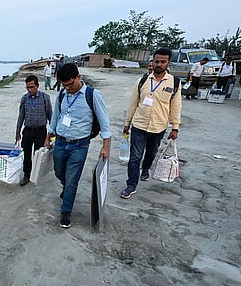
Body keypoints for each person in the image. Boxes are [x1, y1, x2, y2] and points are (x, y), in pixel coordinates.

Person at [44, 63, 111, 228]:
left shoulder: (92, 95)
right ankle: (66, 188)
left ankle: (65, 212)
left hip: (79, 145)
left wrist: (106, 146)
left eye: (70, 84)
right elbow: (56, 116)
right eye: (65, 85)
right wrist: (49, 134)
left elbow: (104, 122)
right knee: (59, 172)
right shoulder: (62, 94)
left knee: (72, 179)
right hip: (60, 142)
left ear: (78, 77)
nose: (68, 88)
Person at [121, 48, 182, 199]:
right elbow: (133, 103)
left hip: (159, 126)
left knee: (151, 153)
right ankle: (131, 185)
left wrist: (175, 127)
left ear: (168, 63)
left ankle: (146, 168)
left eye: (163, 61)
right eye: (156, 61)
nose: (159, 64)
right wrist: (127, 122)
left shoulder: (174, 82)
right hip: (139, 125)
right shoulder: (142, 81)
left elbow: (175, 106)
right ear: (152, 62)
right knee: (135, 156)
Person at [15, 75, 52, 186]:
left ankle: (36, 175)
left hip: (41, 131)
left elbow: (51, 115)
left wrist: (52, 133)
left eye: (32, 87)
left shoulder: (45, 97)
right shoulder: (24, 98)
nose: (30, 90)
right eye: (28, 87)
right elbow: (21, 115)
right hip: (28, 131)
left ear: (37, 86)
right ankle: (26, 175)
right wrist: (17, 131)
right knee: (26, 154)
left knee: (38, 155)